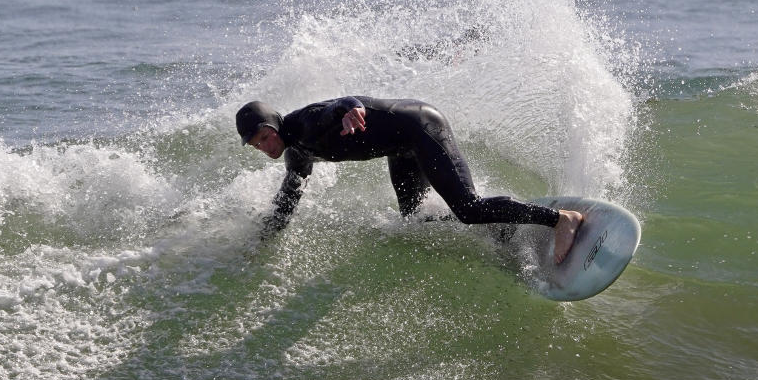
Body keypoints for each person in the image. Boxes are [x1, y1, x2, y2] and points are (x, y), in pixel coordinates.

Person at [236, 96, 583, 264]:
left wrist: (351, 110)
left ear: (274, 123)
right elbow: (287, 201)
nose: (266, 147)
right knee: (414, 218)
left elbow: (338, 106)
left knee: (467, 208)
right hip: (400, 149)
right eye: (257, 144)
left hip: (421, 128)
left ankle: (559, 220)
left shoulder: (305, 124)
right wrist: (260, 242)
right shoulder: (297, 154)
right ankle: (499, 223)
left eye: (265, 136)